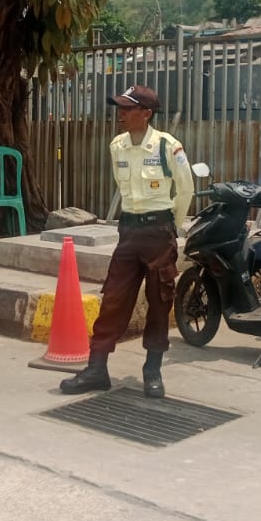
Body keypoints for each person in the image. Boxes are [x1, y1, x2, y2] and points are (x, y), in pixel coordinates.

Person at [60, 84, 193, 399]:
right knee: (113, 299)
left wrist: (172, 227)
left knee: (159, 302)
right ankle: (97, 369)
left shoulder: (167, 146)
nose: (120, 114)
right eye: (119, 108)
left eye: (127, 108)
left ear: (146, 113)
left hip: (159, 232)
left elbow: (185, 189)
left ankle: (152, 370)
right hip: (128, 231)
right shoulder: (117, 146)